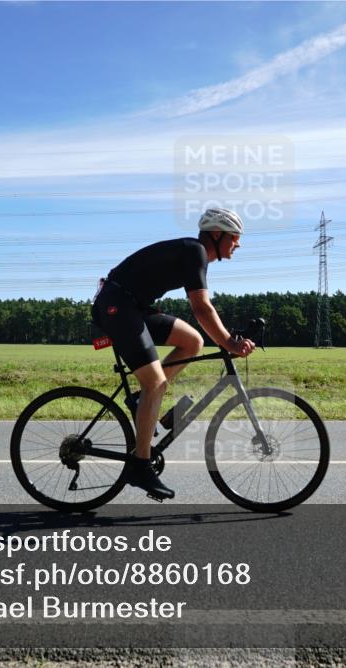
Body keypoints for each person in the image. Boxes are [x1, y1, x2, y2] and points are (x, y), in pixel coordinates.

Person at [91, 208, 255, 500]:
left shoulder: (195, 255)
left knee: (193, 342)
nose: (238, 244)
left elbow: (203, 310)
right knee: (156, 383)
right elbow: (202, 308)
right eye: (234, 237)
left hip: (133, 307)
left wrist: (226, 338)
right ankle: (140, 466)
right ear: (217, 234)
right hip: (118, 306)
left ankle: (142, 401)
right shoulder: (195, 252)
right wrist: (229, 342)